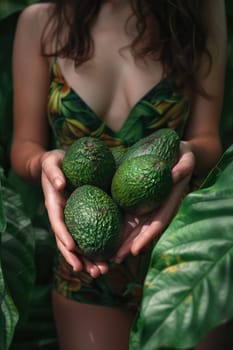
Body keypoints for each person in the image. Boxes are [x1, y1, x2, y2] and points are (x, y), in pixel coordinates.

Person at [10, 0, 227, 349]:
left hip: (185, 258)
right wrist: (45, 164)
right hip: (87, 255)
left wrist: (189, 154)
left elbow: (209, 140)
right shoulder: (41, 20)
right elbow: (24, 146)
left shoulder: (201, 9)